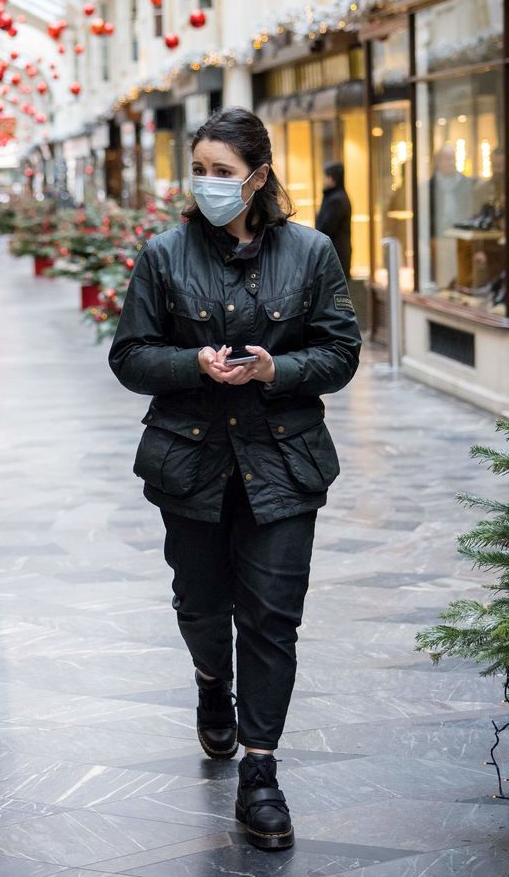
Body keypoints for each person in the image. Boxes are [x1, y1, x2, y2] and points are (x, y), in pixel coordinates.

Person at [108, 108, 360, 854]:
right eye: (201, 171)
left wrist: (278, 367)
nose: (209, 184)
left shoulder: (311, 252)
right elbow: (129, 356)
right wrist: (194, 364)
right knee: (200, 602)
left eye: (224, 171)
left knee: (272, 615)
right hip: (192, 461)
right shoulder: (163, 255)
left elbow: (341, 352)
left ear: (258, 176)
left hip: (283, 461)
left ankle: (261, 771)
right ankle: (211, 680)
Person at [315, 162, 352, 277]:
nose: (324, 180)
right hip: (335, 253)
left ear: (332, 179)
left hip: (336, 254)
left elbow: (326, 227)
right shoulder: (334, 197)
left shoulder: (337, 200)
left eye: (326, 177)